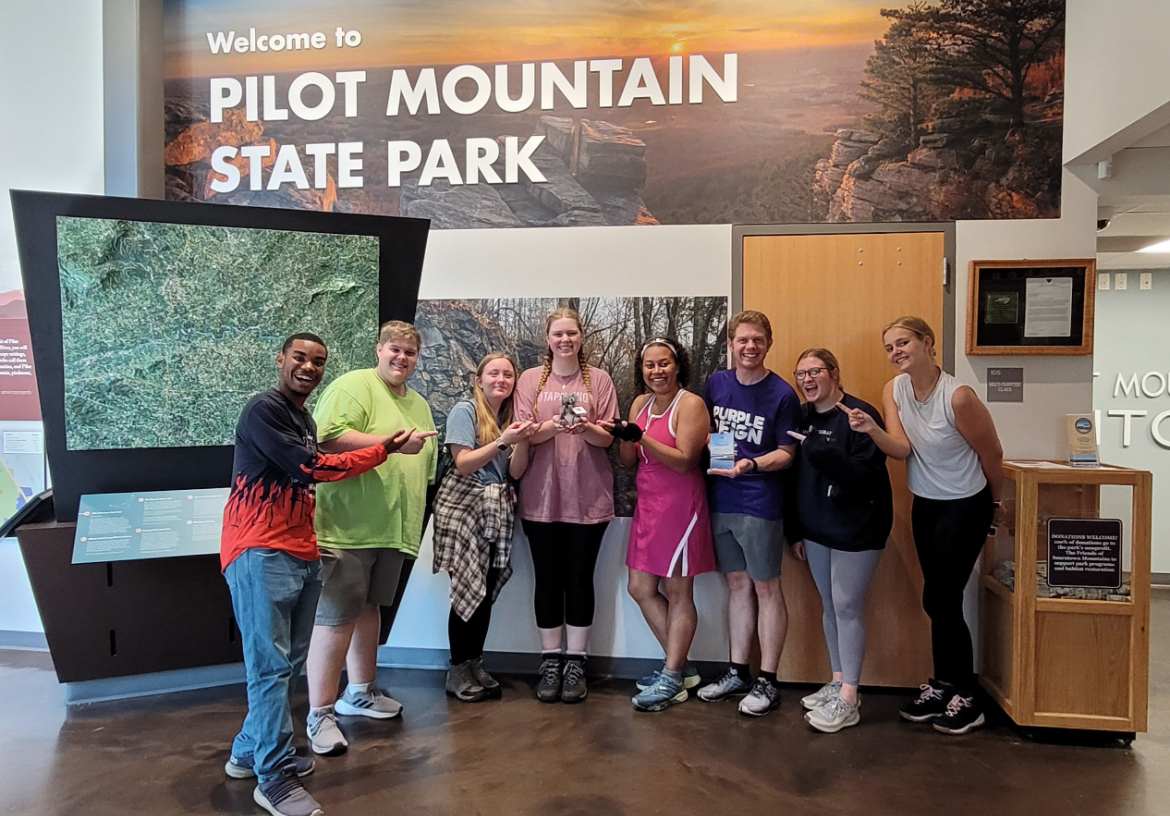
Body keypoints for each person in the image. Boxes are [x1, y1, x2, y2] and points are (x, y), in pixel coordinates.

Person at [220, 333, 413, 816]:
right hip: (259, 550)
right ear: (280, 359)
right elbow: (310, 467)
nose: (309, 367)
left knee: (284, 665)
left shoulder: (304, 417)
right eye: (300, 358)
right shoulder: (262, 410)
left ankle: (250, 750)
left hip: (302, 550)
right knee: (268, 667)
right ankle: (274, 776)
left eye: (318, 361)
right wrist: (381, 450)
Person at [842, 316, 1004, 736]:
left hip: (967, 504)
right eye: (889, 347)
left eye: (903, 343)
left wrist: (996, 505)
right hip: (926, 504)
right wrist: (872, 427)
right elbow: (901, 449)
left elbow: (992, 455)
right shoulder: (894, 390)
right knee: (937, 601)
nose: (895, 352)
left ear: (927, 343)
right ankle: (945, 684)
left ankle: (967, 697)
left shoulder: (959, 397)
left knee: (942, 597)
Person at [304, 321, 438, 755]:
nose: (402, 358)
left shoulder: (418, 403)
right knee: (336, 615)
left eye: (410, 353)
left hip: (393, 529)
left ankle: (359, 692)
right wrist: (392, 444)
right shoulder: (353, 385)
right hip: (348, 527)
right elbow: (327, 437)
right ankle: (319, 714)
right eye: (395, 349)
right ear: (379, 350)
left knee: (369, 609)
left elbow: (426, 465)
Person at [697, 310, 802, 716]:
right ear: (731, 344)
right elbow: (705, 428)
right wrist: (710, 444)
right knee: (737, 586)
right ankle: (737, 671)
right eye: (742, 340)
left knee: (766, 588)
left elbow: (788, 454)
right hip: (721, 499)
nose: (750, 347)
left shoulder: (783, 395)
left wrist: (751, 465)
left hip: (760, 503)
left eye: (757, 340)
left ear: (769, 343)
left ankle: (768, 681)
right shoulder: (717, 384)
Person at [513, 307, 619, 703]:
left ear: (581, 337)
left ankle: (577, 662)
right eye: (558, 333)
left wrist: (586, 427)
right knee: (547, 579)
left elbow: (607, 439)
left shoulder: (600, 380)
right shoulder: (528, 380)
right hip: (541, 497)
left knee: (579, 579)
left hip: (588, 498)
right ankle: (551, 661)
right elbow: (522, 434)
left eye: (571, 333)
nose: (565, 340)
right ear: (548, 338)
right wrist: (553, 426)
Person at [784, 348, 893, 734]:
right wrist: (794, 530)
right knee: (829, 604)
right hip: (816, 528)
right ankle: (837, 679)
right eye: (801, 374)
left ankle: (850, 696)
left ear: (834, 373)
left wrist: (825, 455)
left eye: (815, 371)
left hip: (857, 529)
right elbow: (795, 478)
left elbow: (867, 480)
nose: (807, 380)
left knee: (847, 605)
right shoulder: (800, 415)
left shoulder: (858, 416)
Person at [607, 337, 716, 712]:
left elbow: (686, 460)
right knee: (639, 587)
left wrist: (643, 439)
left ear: (677, 365)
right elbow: (628, 460)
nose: (657, 371)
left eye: (664, 363)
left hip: (681, 507)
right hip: (649, 507)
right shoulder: (640, 404)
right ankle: (682, 670)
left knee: (679, 591)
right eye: (650, 365)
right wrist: (624, 437)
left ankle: (671, 676)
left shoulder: (692, 405)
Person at [433, 353, 535, 701]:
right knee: (467, 588)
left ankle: (475, 661)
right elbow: (463, 464)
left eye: (508, 374)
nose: (501, 379)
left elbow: (515, 472)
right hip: (464, 510)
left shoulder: (506, 417)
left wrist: (522, 441)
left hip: (495, 510)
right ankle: (457, 667)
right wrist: (504, 440)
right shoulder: (466, 411)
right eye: (494, 373)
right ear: (479, 380)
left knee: (486, 589)